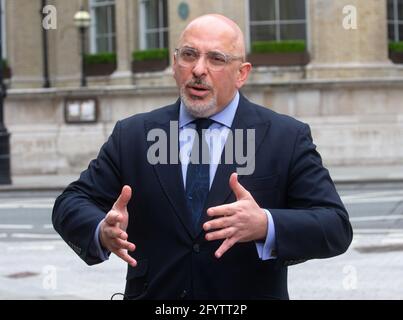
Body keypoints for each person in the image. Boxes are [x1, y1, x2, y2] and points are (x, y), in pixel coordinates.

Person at [52, 14, 353, 300]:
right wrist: (102, 230)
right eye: (189, 55)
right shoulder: (133, 135)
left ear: (242, 74)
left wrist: (265, 224)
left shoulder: (286, 137)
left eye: (216, 59)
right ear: (174, 63)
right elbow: (70, 203)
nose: (198, 69)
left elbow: (335, 226)